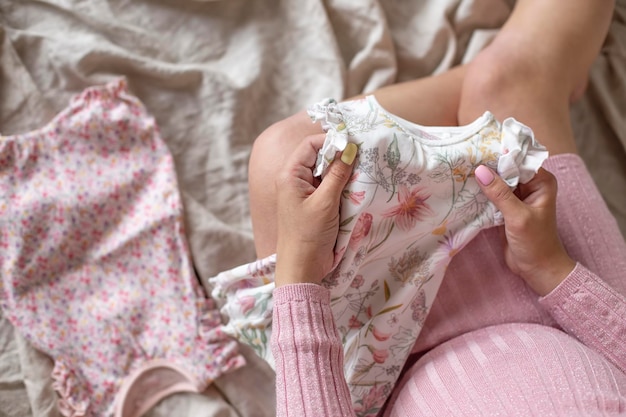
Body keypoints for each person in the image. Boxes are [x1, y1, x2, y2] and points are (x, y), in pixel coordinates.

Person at [249, 0, 626, 415]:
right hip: (561, 292)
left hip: (389, 369)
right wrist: (553, 269)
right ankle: (532, 80)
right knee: (506, 81)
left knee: (282, 155)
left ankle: (534, 78)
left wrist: (301, 267)